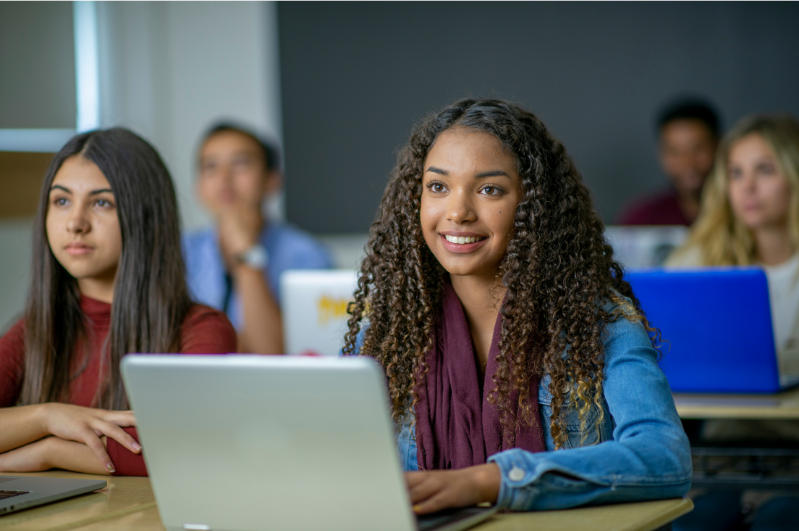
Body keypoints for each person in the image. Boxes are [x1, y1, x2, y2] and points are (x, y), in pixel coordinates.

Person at [343, 98, 691, 513]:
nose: (457, 211)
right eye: (438, 186)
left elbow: (665, 458)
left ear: (533, 206)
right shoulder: (387, 333)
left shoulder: (597, 323)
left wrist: (489, 481)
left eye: (490, 189)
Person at [0, 128, 237, 477]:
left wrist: (49, 451)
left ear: (145, 218)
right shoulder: (33, 329)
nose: (76, 223)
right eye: (62, 200)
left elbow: (188, 446)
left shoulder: (201, 329)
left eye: (101, 203)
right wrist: (46, 416)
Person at [666, 114, 799, 531]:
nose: (748, 187)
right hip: (723, 453)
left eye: (764, 169)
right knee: (693, 522)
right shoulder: (700, 260)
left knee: (779, 519)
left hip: (792, 454)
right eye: (736, 172)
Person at [183, 123, 334, 354]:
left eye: (240, 163)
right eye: (211, 166)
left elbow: (275, 354)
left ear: (272, 180)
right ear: (198, 187)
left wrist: (247, 251)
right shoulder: (181, 251)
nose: (224, 178)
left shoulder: (307, 256)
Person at [617, 99, 720, 226]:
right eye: (675, 152)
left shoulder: (741, 212)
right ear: (661, 153)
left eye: (698, 149)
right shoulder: (642, 219)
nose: (687, 162)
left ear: (719, 146)